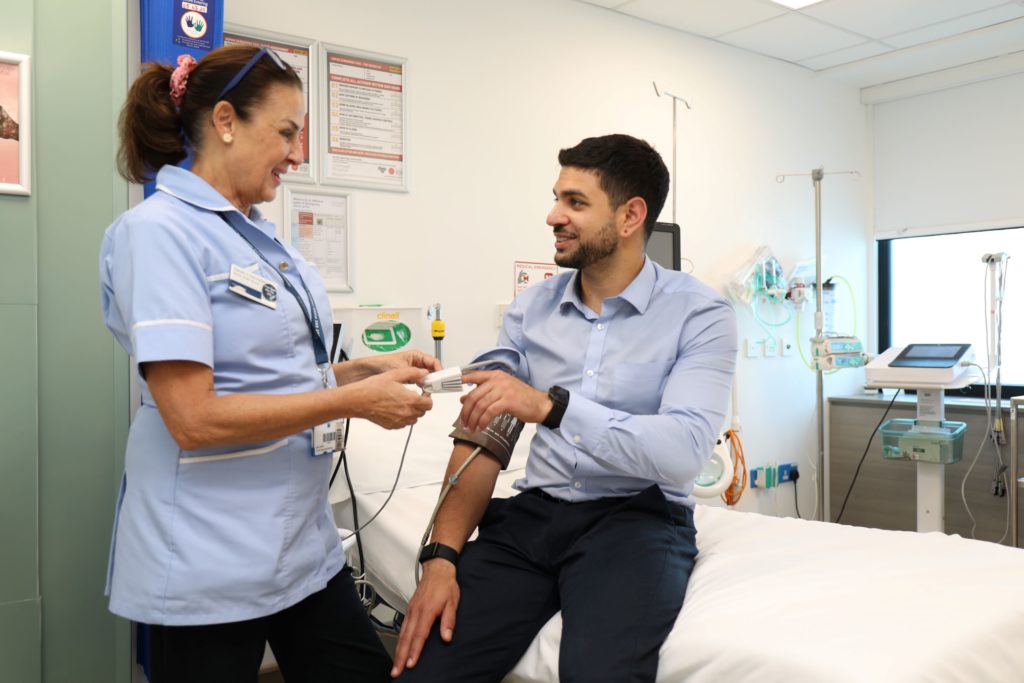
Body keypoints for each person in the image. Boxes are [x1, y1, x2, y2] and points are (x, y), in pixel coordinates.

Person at [100, 46, 438, 683]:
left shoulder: (260, 236)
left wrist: (357, 372)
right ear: (225, 120)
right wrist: (352, 403)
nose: (296, 153)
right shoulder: (158, 234)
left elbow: (264, 372)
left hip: (300, 547)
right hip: (210, 556)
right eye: (286, 132)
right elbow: (193, 418)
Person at [392, 134, 738, 682]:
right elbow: (483, 430)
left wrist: (552, 408)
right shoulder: (532, 308)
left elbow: (683, 454)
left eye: (575, 202)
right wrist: (441, 557)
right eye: (557, 198)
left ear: (630, 216)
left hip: (637, 520)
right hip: (533, 519)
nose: (553, 215)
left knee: (597, 672)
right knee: (425, 670)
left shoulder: (700, 315)